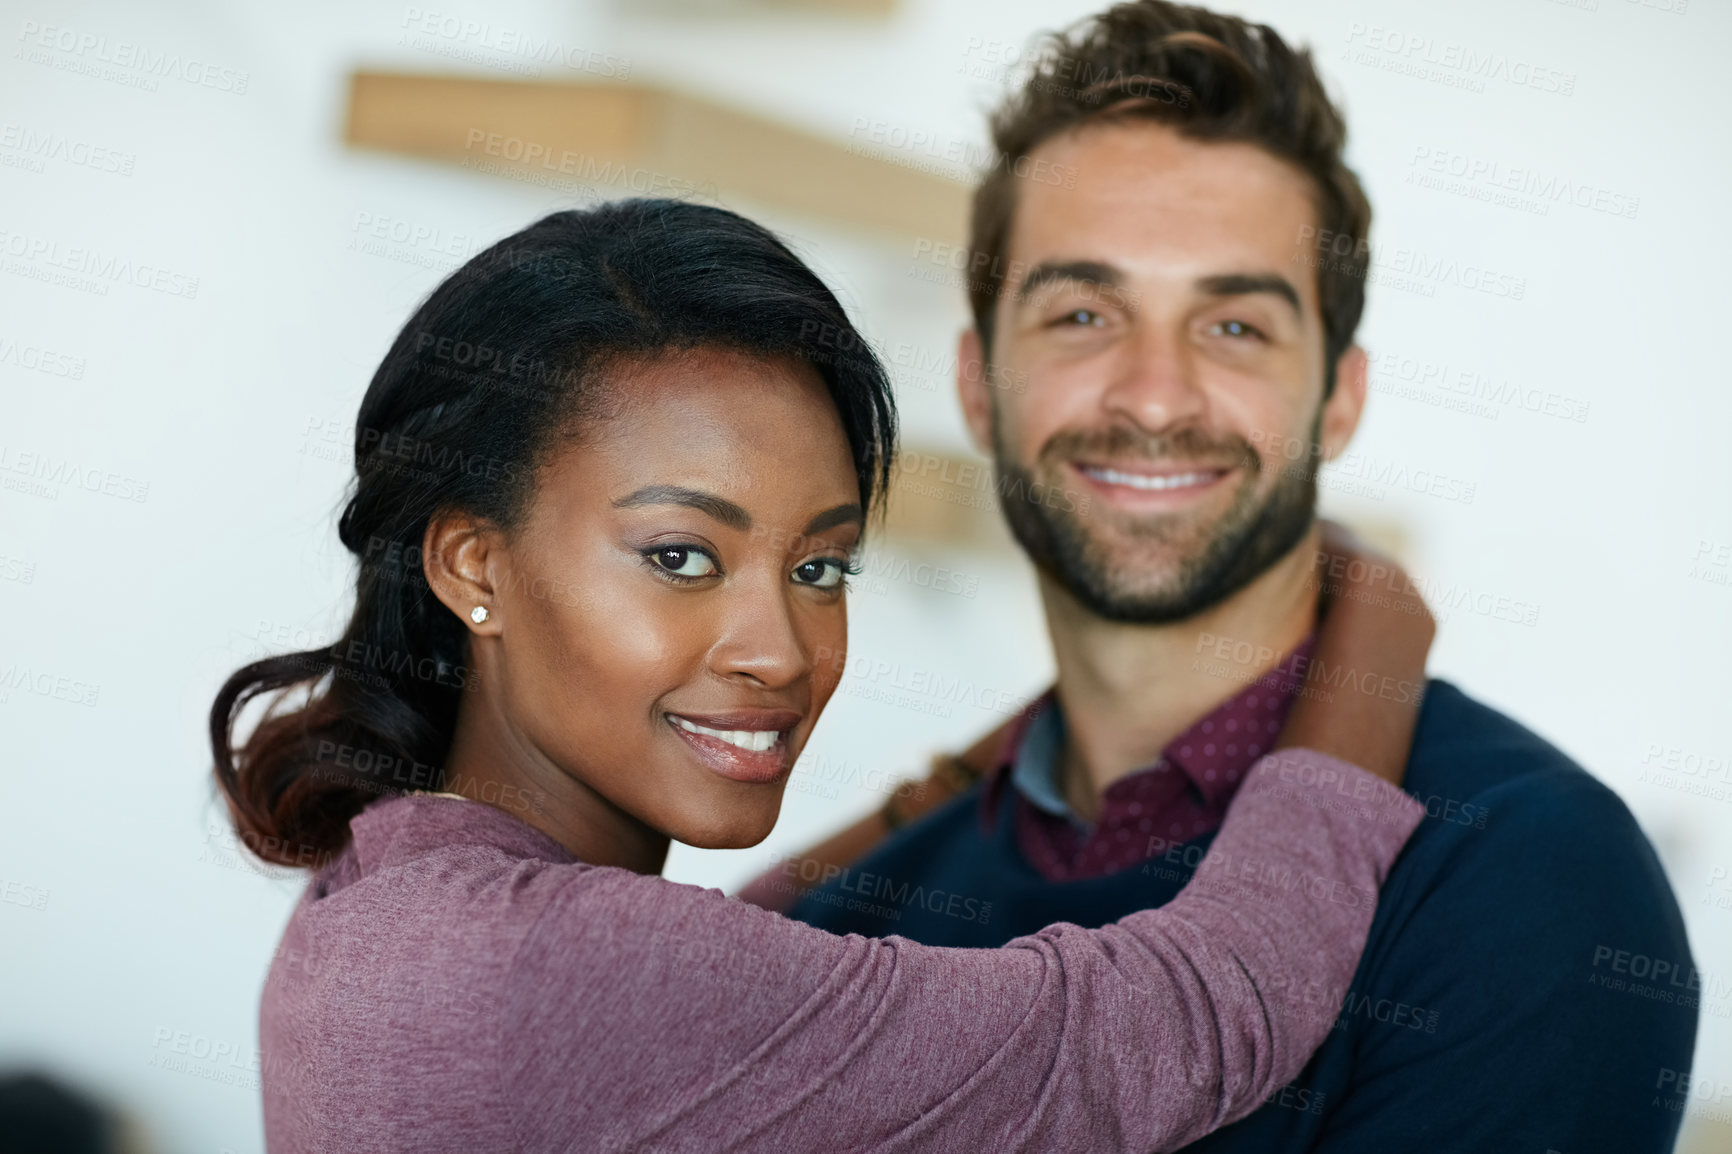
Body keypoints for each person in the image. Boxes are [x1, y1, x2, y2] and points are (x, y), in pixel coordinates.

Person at [210, 198, 1433, 1153]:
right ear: (473, 563)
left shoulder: (379, 891)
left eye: (822, 566)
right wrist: (1369, 617)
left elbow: (722, 1006)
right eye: (680, 554)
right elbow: (1190, 1021)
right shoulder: (532, 968)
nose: (779, 649)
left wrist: (972, 768)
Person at [741, 5, 1697, 1151]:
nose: (1154, 396)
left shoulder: (1527, 878)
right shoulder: (862, 914)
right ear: (980, 382)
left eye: (1234, 325)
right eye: (1083, 312)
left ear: (1338, 398)